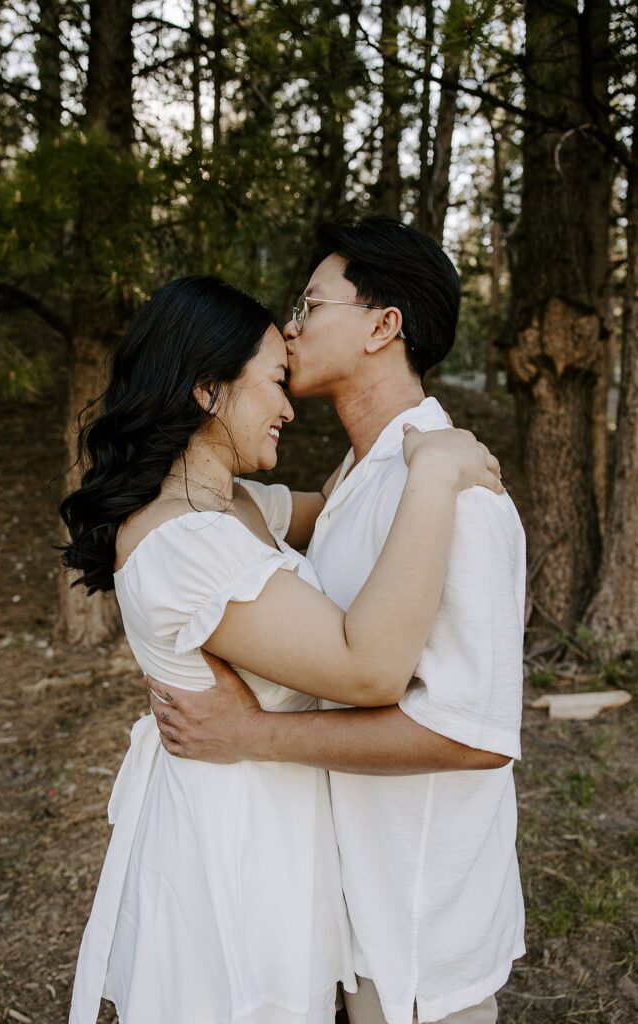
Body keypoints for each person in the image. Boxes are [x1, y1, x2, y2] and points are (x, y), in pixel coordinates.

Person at [60, 273, 503, 1024]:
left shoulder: (228, 503)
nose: (288, 406)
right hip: (234, 839)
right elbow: (369, 669)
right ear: (207, 391)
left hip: (272, 815)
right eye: (272, 382)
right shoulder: (186, 539)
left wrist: (396, 426)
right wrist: (433, 474)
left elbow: (343, 506)